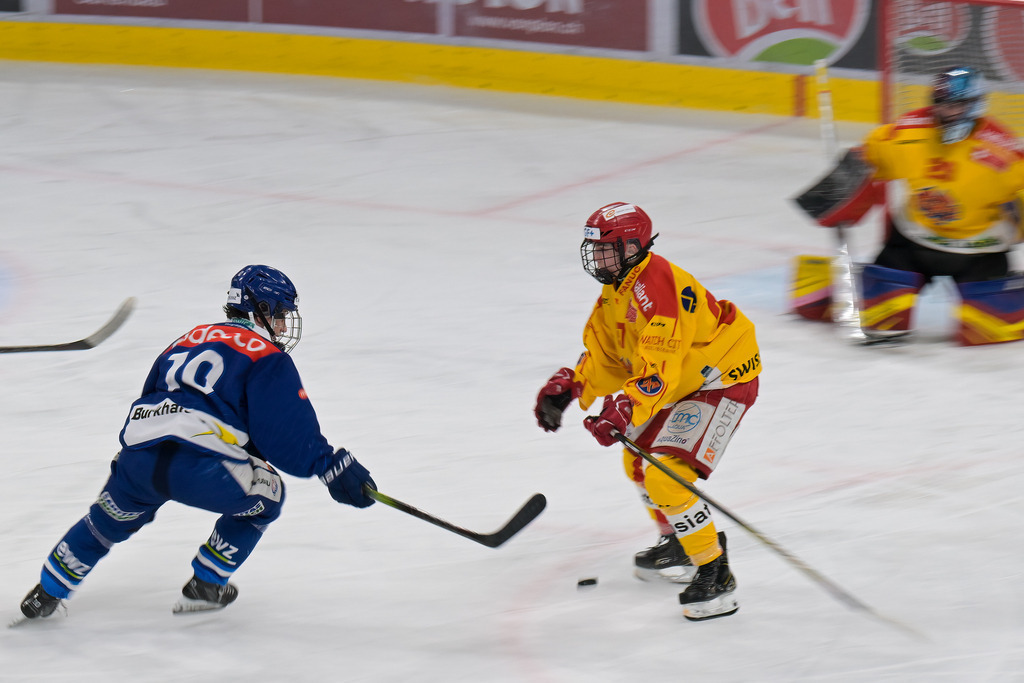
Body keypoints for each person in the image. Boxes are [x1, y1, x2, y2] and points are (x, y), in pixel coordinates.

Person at [18, 265, 377, 620]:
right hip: (203, 469)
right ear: (260, 310)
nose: (284, 325)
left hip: (140, 458)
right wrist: (330, 465)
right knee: (269, 496)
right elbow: (285, 431)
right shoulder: (267, 356)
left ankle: (46, 592)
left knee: (104, 522)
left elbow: (153, 392)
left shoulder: (188, 338)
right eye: (281, 313)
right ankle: (207, 584)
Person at [534, 202, 761, 621]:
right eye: (595, 249)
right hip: (681, 382)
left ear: (634, 246)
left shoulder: (657, 288)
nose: (597, 258)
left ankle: (715, 570)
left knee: (664, 474)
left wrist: (624, 406)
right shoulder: (618, 290)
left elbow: (659, 369)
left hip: (720, 380)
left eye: (606, 249)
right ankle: (679, 542)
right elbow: (611, 358)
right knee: (636, 462)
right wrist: (574, 388)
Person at [795, 65, 1024, 343]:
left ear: (976, 105)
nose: (948, 112)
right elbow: (872, 155)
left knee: (989, 329)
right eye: (942, 104)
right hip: (913, 243)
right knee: (880, 318)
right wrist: (842, 186)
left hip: (979, 252)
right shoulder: (909, 133)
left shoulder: (1002, 152)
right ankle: (844, 288)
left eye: (958, 105)